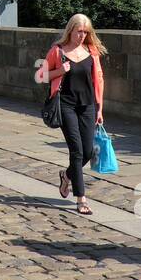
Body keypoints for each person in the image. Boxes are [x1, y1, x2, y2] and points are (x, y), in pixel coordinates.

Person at [42, 14, 104, 216]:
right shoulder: (57, 51)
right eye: (79, 32)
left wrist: (100, 108)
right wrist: (60, 70)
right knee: (76, 151)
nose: (83, 35)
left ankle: (66, 175)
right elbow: (41, 75)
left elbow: (99, 81)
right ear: (71, 30)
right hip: (66, 106)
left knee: (87, 152)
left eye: (86, 32)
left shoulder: (91, 51)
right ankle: (81, 198)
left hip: (87, 106)